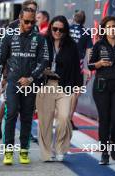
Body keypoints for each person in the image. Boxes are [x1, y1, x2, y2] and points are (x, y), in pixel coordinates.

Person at [0, 7, 49, 165]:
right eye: (26, 21)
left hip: (30, 83)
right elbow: (0, 60)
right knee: (10, 115)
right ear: (19, 18)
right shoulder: (8, 36)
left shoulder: (40, 38)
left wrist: (30, 78)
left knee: (26, 116)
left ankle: (24, 151)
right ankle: (8, 151)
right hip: (13, 82)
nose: (30, 24)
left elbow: (44, 62)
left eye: (33, 21)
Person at [36, 15, 83, 162]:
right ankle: (46, 152)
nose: (57, 32)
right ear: (50, 28)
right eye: (55, 29)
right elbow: (35, 63)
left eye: (61, 30)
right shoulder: (43, 42)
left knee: (64, 118)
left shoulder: (72, 45)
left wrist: (78, 86)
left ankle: (61, 149)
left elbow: (77, 68)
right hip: (46, 84)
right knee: (45, 120)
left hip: (65, 86)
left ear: (65, 31)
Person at [88, 16, 115, 165]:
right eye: (108, 27)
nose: (111, 29)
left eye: (114, 26)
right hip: (102, 87)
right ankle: (104, 153)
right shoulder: (99, 45)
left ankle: (114, 142)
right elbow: (90, 65)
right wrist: (99, 64)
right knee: (105, 119)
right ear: (104, 29)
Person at [0, 0, 39, 141]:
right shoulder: (11, 28)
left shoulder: (35, 29)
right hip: (12, 72)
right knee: (9, 103)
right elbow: (5, 54)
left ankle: (27, 132)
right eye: (30, 9)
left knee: (28, 107)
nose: (30, 22)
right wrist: (5, 76)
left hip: (29, 75)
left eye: (34, 10)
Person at [69, 10, 93, 130]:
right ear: (84, 20)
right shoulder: (86, 32)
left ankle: (63, 118)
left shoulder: (66, 28)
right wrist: (89, 68)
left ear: (73, 18)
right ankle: (68, 119)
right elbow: (89, 51)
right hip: (78, 65)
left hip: (63, 64)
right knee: (75, 93)